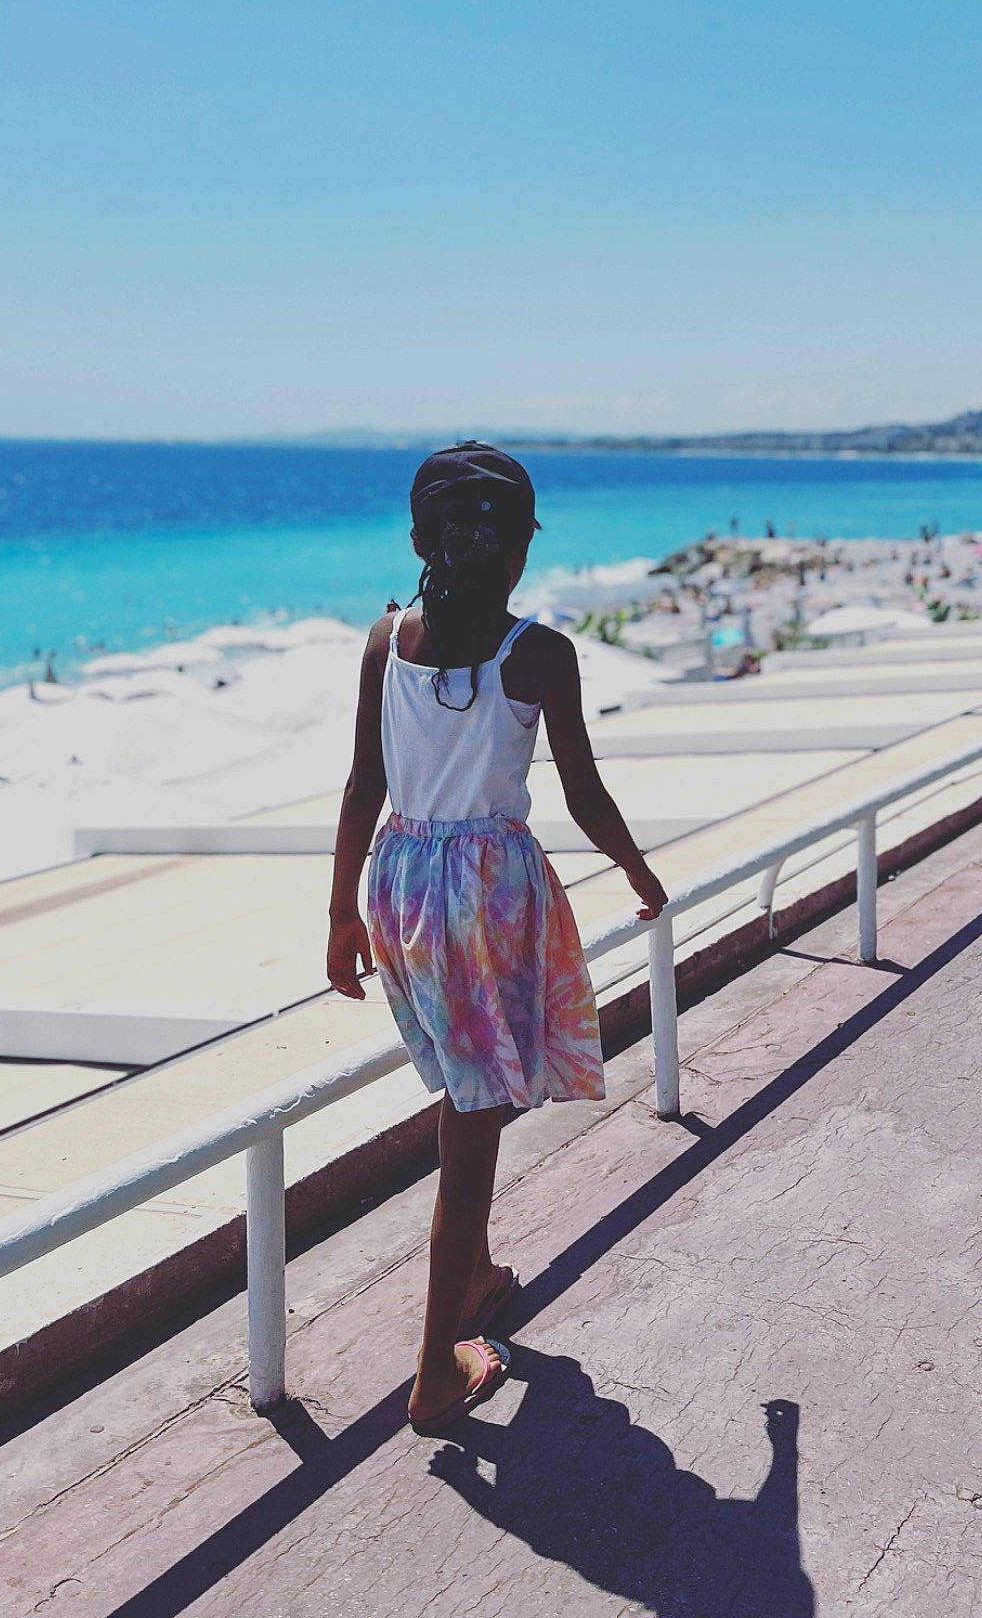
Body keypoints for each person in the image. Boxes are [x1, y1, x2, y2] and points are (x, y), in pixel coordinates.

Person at [326, 444, 667, 1432]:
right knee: (471, 1126)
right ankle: (435, 1373)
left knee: (475, 1088)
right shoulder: (539, 650)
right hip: (488, 899)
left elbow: (362, 786)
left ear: (420, 539)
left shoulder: (385, 639)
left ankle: (475, 1270)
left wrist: (342, 910)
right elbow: (584, 792)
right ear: (519, 544)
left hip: (403, 887)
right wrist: (640, 871)